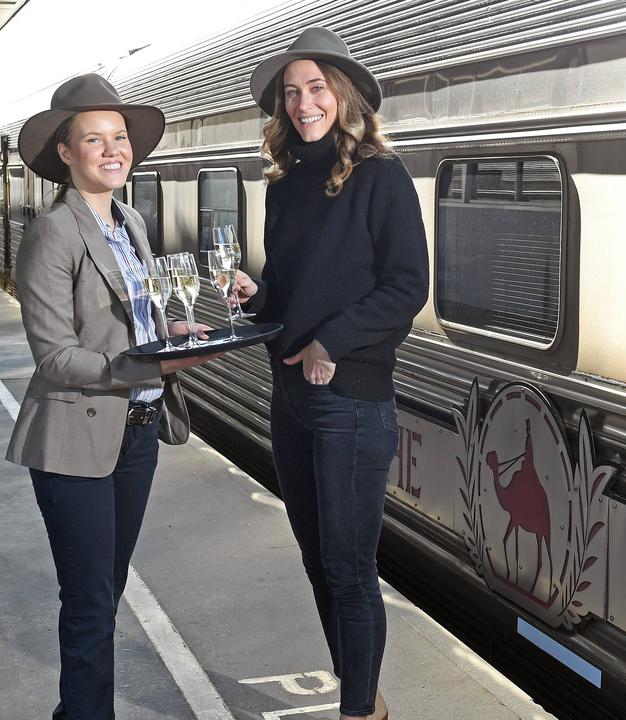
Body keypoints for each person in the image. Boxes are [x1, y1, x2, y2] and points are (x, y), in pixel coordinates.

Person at [6, 73, 219, 720]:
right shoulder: (53, 233)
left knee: (108, 589)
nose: (110, 150)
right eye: (92, 139)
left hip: (137, 432)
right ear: (66, 154)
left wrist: (173, 336)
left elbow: (138, 323)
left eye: (119, 137)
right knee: (92, 602)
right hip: (74, 434)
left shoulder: (130, 222)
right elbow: (56, 357)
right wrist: (144, 364)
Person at [244, 27, 429, 720]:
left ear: (343, 93)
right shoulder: (286, 184)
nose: (302, 103)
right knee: (318, 562)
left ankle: (358, 715)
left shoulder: (382, 176)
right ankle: (370, 703)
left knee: (351, 571)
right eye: (291, 92)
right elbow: (294, 291)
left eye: (316, 87)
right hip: (289, 397)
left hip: (349, 399)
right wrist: (255, 295)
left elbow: (407, 287)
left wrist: (332, 342)